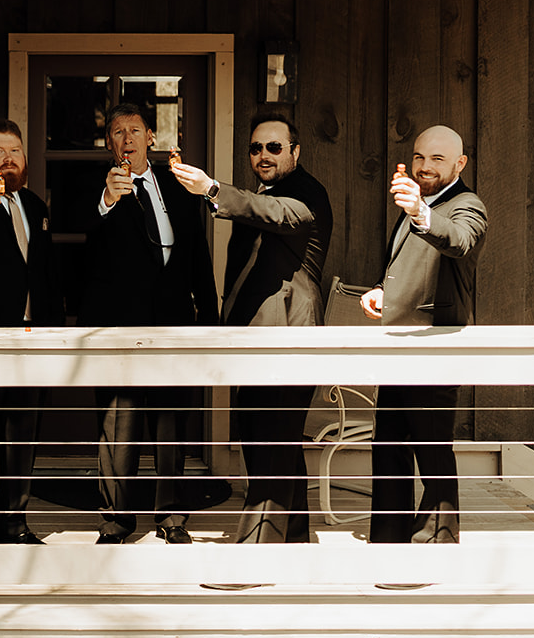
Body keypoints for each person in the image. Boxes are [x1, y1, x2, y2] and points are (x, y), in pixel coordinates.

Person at [171, 112, 331, 554]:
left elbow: (275, 214)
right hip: (257, 340)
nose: (263, 155)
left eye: (274, 147)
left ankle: (253, 554)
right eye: (256, 148)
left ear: (295, 152)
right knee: (265, 442)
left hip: (288, 338)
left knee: (273, 443)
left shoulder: (305, 193)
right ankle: (294, 544)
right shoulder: (266, 190)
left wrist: (212, 189)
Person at [79, 105, 217, 544]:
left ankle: (172, 519)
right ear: (110, 144)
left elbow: (197, 255)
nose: (127, 138)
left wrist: (208, 321)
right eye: (117, 132)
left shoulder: (175, 186)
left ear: (150, 137)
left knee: (171, 424)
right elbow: (85, 247)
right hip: (119, 325)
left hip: (173, 321)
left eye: (135, 130)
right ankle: (115, 523)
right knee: (118, 427)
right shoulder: (97, 189)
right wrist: (108, 201)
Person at [361, 125, 486, 552]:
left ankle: (437, 544)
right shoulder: (414, 202)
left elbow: (459, 241)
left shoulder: (466, 205)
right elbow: (408, 267)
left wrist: (420, 213)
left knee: (433, 454)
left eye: (437, 158)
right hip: (396, 349)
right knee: (389, 451)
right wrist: (382, 289)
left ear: (459, 163)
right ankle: (388, 542)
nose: (425, 166)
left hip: (435, 352)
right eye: (419, 157)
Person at [0, 118, 64, 544]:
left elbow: (46, 275)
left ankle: (12, 523)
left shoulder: (36, 207)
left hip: (33, 338)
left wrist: (54, 336)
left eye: (15, 151)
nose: (8, 159)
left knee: (21, 437)